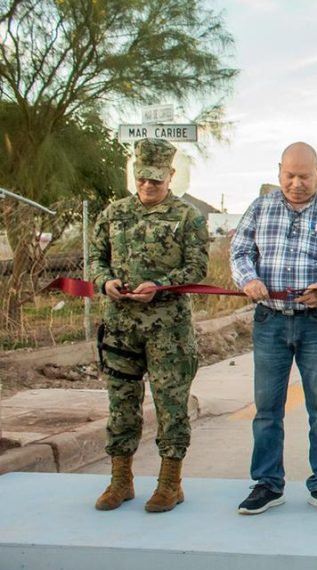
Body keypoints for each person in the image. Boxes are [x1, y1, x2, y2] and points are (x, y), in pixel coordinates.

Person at [230, 142, 317, 515]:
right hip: (270, 321)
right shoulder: (260, 208)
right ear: (279, 172)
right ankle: (267, 483)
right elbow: (240, 251)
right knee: (267, 407)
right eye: (290, 175)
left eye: (305, 176)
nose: (297, 183)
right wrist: (248, 278)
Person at [88, 138, 208, 513]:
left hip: (168, 332)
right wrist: (103, 281)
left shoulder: (189, 218)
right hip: (120, 328)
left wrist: (160, 286)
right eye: (142, 178)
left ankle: (170, 483)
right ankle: (120, 480)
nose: (148, 186)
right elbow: (95, 258)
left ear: (170, 176)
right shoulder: (113, 214)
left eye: (156, 179)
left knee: (171, 405)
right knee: (121, 405)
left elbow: (197, 269)